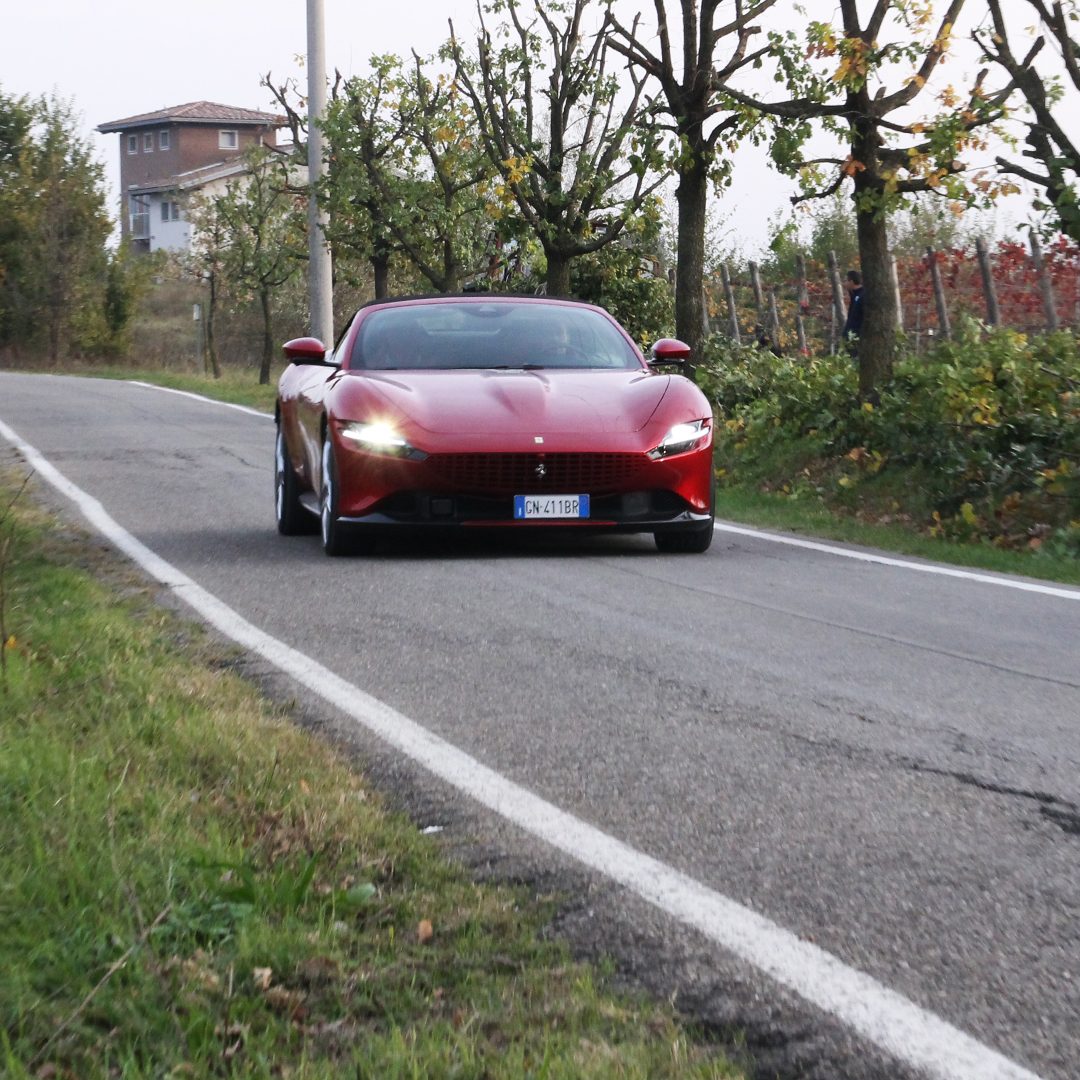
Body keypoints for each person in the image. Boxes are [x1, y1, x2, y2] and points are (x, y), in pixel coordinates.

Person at [842, 269, 864, 357]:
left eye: (846, 281)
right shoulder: (854, 295)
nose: (844, 284)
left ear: (851, 281)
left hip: (858, 339)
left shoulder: (862, 296)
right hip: (850, 338)